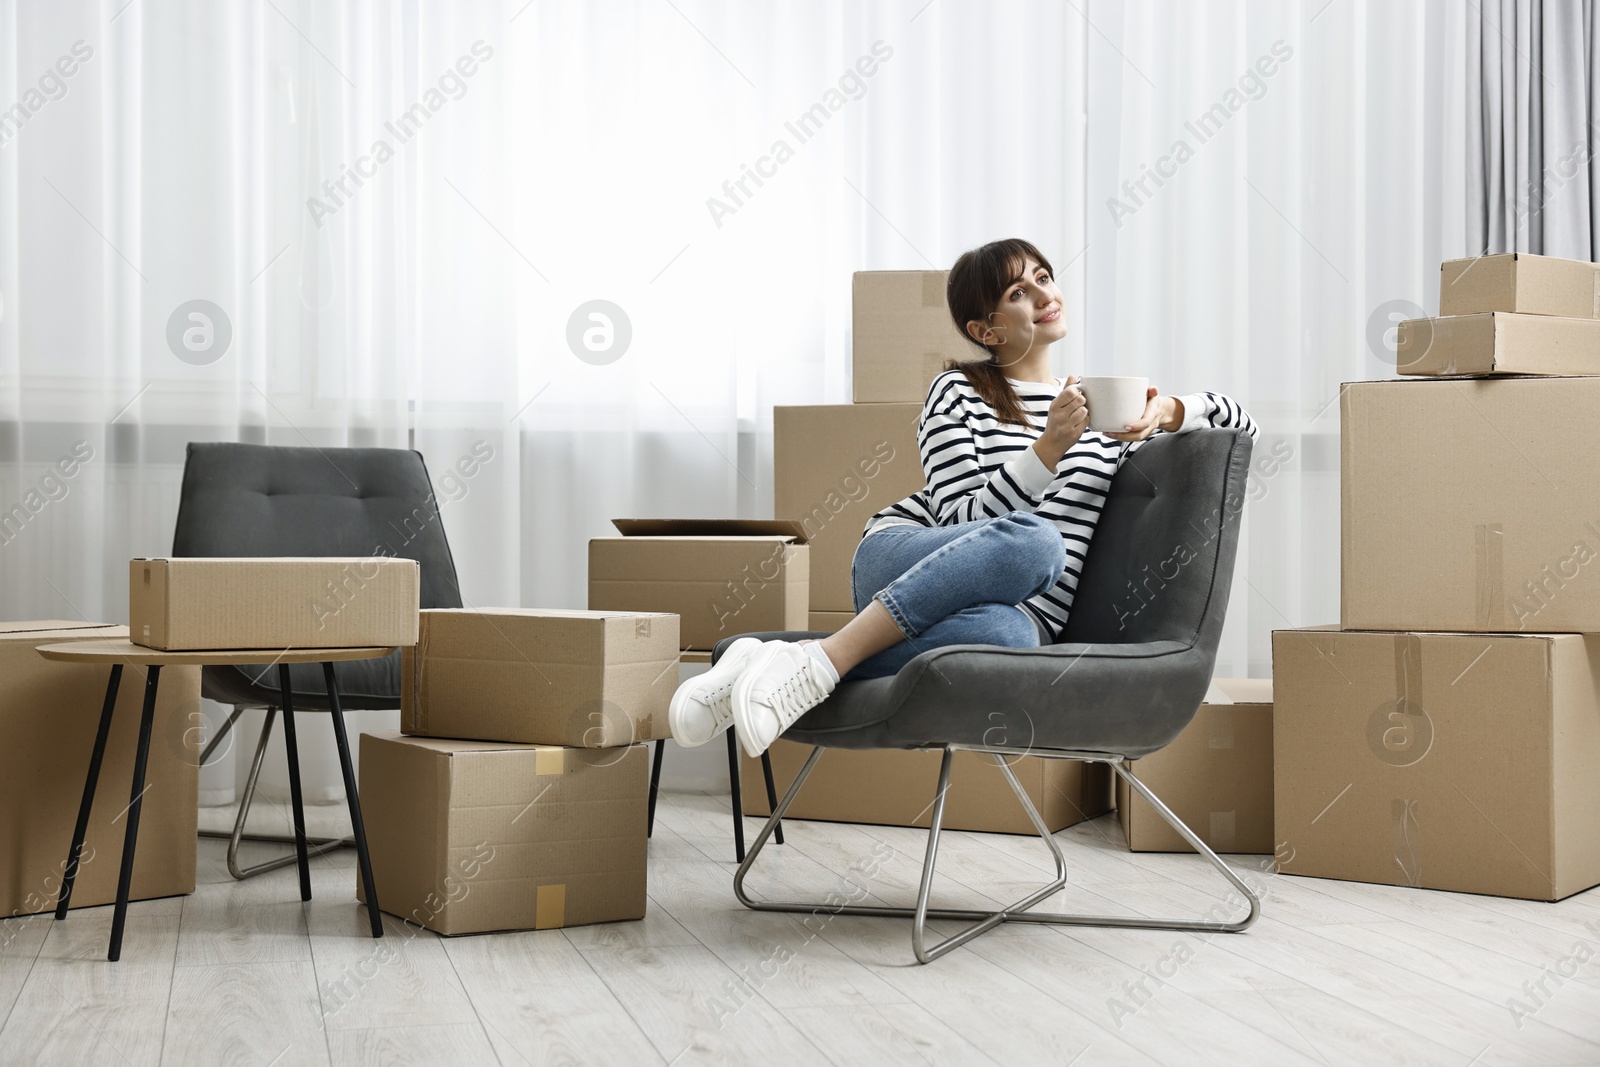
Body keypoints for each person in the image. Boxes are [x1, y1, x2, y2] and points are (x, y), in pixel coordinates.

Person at [669, 237, 1258, 760]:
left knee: (1014, 639)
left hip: (1019, 611)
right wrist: (1047, 448)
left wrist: (1173, 411)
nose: (1042, 293)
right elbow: (965, 520)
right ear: (987, 330)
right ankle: (820, 663)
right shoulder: (959, 392)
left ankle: (766, 663)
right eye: (1018, 291)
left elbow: (1242, 427)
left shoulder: (1105, 415)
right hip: (904, 560)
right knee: (1037, 542)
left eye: (1044, 278)